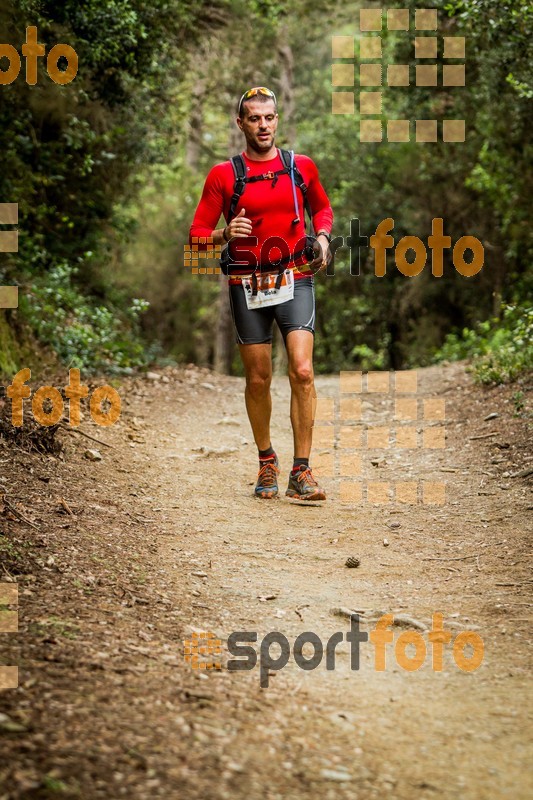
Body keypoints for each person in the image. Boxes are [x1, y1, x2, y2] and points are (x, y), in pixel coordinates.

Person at [189, 86, 333, 501]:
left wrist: (322, 239)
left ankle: (301, 471)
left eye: (269, 117)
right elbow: (196, 236)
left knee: (302, 371)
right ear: (241, 124)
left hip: (295, 277)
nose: (263, 125)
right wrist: (223, 233)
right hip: (246, 284)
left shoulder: (299, 167)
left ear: (277, 119)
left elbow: (322, 208)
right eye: (254, 118)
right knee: (258, 378)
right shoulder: (223, 175)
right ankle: (267, 462)